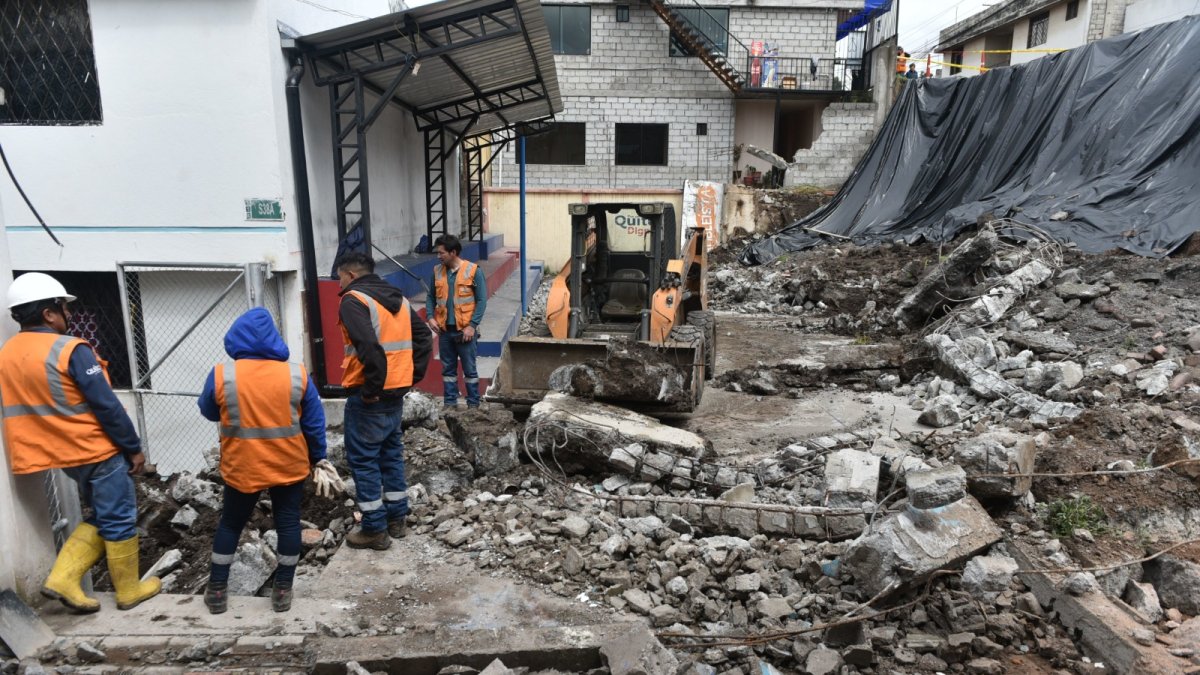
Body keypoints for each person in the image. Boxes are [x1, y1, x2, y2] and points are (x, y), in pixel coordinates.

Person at [0, 272, 160, 613]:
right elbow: (106, 405)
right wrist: (133, 447)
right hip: (95, 449)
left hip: (62, 455)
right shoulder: (70, 349)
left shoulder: (9, 353)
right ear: (48, 313)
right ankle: (128, 590)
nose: (69, 315)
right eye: (63, 308)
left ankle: (63, 578)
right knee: (118, 517)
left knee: (104, 515)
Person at [197, 307, 334, 614]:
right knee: (287, 524)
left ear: (236, 338)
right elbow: (313, 423)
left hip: (242, 465)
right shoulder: (296, 374)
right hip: (288, 464)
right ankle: (282, 591)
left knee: (231, 524)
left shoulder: (222, 374)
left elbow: (208, 410)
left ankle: (217, 591)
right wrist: (319, 457)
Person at [335, 252, 432, 550]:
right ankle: (396, 519)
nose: (339, 282)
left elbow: (368, 346)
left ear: (351, 275)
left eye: (340, 276)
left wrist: (372, 388)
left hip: (370, 394)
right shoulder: (399, 300)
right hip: (396, 393)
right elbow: (424, 339)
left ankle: (375, 528)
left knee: (364, 461)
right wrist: (408, 377)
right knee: (390, 456)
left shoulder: (354, 300)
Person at [425, 234, 487, 409]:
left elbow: (482, 300)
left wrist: (472, 326)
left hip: (465, 331)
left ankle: (473, 405)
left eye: (441, 253)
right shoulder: (437, 271)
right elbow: (430, 297)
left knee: (470, 369)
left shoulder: (474, 271)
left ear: (453, 252)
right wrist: (430, 317)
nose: (438, 256)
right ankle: (450, 403)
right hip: (445, 330)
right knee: (448, 370)